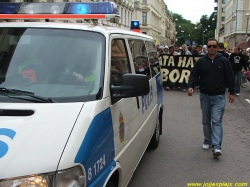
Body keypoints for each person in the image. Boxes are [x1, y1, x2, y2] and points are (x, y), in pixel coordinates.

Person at [187, 38, 235, 158]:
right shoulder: (201, 61)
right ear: (206, 48)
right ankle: (207, 140)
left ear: (217, 48)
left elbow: (230, 77)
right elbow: (194, 75)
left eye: (214, 46)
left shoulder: (224, 61)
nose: (212, 48)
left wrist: (232, 92)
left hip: (219, 96)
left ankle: (217, 147)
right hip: (205, 96)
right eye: (209, 46)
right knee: (206, 120)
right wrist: (191, 86)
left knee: (217, 121)